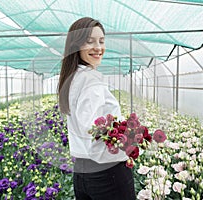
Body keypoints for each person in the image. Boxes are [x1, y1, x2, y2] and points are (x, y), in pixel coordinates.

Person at [57, 17, 136, 200]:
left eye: (101, 41)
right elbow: (93, 130)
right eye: (89, 41)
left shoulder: (73, 77)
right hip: (107, 173)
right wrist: (128, 141)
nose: (98, 47)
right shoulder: (91, 80)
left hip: (82, 172)